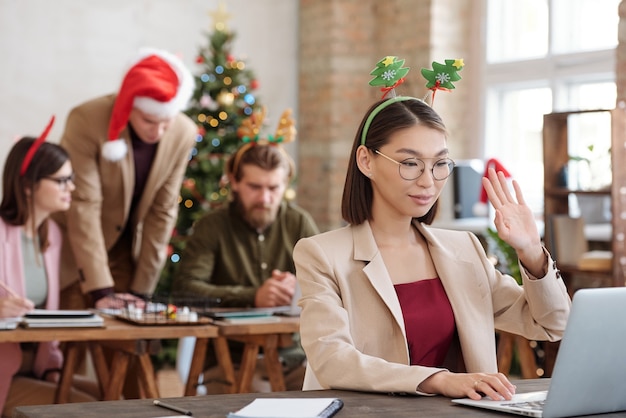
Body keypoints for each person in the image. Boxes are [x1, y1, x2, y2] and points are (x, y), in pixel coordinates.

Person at [293, 64, 571, 401]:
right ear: (366, 161)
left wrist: (531, 252)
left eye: (440, 163)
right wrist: (439, 380)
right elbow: (332, 361)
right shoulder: (322, 254)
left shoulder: (464, 249)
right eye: (410, 163)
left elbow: (551, 324)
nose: (428, 180)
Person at [174, 108, 319, 392]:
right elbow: (186, 291)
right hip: (231, 362)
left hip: (294, 360)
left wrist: (300, 287)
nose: (265, 198)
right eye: (254, 187)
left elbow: (333, 286)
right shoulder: (212, 226)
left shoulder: (298, 222)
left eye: (273, 188)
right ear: (235, 182)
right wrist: (254, 296)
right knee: (256, 404)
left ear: (285, 184)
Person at [53, 47, 197, 310]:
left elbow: (162, 210)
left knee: (125, 341)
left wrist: (142, 290)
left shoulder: (183, 132)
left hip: (127, 249)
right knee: (70, 340)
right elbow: (83, 204)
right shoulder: (86, 119)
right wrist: (100, 289)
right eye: (149, 121)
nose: (159, 132)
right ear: (130, 105)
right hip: (74, 250)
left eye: (167, 122)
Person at [0, 117, 98, 417]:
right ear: (28, 186)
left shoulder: (52, 236)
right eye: (62, 180)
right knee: (95, 410)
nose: (72, 187)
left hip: (35, 367)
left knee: (116, 397)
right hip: (4, 370)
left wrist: (52, 370)